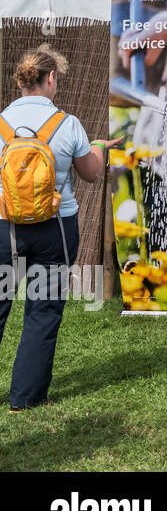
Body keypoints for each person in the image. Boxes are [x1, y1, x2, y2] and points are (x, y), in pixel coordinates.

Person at [0, 45, 119, 410]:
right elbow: (91, 172)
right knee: (44, 309)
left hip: (4, 228)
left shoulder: (1, 122)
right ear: (50, 78)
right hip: (55, 228)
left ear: (21, 80)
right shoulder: (67, 124)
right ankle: (27, 397)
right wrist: (98, 145)